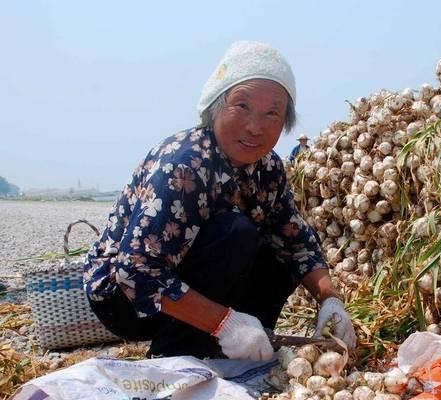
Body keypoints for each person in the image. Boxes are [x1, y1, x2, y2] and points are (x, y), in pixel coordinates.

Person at [83, 41, 356, 361]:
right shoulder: (184, 163)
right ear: (216, 105)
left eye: (272, 113)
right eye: (242, 106)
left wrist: (330, 300)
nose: (255, 127)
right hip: (126, 301)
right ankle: (177, 352)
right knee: (235, 232)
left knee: (278, 253)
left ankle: (236, 350)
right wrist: (226, 323)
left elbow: (297, 243)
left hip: (192, 284)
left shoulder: (268, 168)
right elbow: (136, 270)